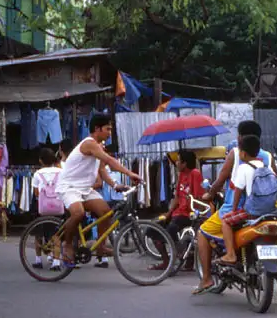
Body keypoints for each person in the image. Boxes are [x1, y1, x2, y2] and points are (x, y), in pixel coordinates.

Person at [194, 120, 277, 304]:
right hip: (268, 210)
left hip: (240, 209)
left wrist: (210, 194)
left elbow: (221, 180)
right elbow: (275, 182)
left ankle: (207, 278)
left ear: (240, 137)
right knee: (274, 239)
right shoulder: (268, 156)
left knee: (202, 232)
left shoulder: (236, 154)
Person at [56, 115, 140, 267]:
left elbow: (102, 169)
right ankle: (67, 245)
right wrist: (130, 173)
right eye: (108, 129)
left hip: (85, 189)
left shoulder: (98, 147)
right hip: (69, 187)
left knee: (106, 212)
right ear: (97, 129)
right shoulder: (89, 143)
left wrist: (115, 185)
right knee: (78, 213)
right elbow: (110, 161)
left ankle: (101, 248)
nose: (110, 133)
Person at [215, 135, 268, 265]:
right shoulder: (264, 166)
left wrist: (233, 210)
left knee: (225, 221)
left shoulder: (243, 168)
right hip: (269, 210)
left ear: (243, 153)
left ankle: (230, 254)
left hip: (252, 211)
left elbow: (237, 192)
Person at [151, 150, 204, 271]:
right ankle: (166, 261)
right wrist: (168, 213)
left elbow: (198, 198)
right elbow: (177, 197)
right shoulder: (181, 175)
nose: (176, 162)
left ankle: (183, 254)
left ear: (185, 163)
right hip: (177, 213)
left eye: (179, 160)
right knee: (153, 229)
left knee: (171, 229)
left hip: (188, 214)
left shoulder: (195, 174)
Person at [32, 147, 63, 270]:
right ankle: (56, 262)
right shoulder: (60, 172)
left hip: (42, 209)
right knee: (56, 234)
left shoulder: (37, 174)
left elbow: (36, 193)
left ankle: (38, 260)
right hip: (57, 208)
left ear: (41, 160)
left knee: (38, 234)